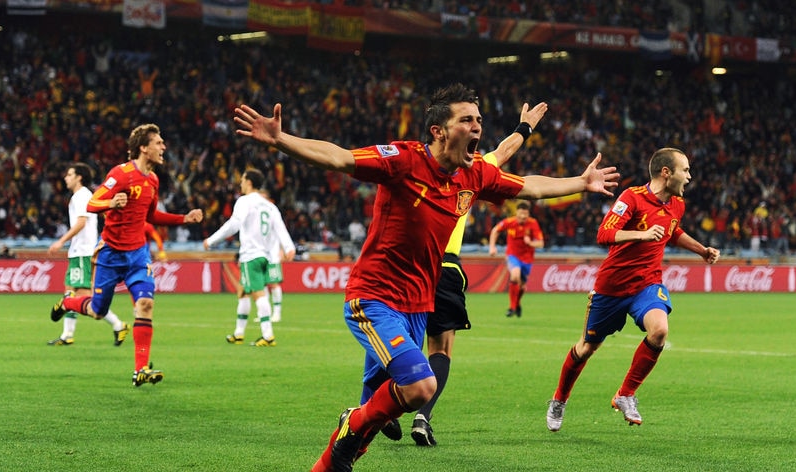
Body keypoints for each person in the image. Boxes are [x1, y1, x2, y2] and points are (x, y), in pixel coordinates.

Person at [233, 83, 619, 472]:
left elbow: (530, 186)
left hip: (418, 305)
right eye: (466, 120)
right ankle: (351, 424)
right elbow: (339, 159)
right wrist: (281, 139)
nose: (476, 128)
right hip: (374, 298)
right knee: (421, 386)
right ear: (438, 131)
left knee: (379, 408)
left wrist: (581, 183)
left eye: (479, 121)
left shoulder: (473, 176)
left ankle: (334, 456)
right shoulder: (403, 159)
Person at [394, 102, 550, 447]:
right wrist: (524, 127)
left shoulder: (410, 167)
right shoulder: (470, 171)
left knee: (398, 340)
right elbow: (503, 152)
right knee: (442, 347)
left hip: (406, 267)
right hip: (445, 266)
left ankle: (385, 407)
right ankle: (423, 415)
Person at [545, 147, 720, 432]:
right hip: (611, 288)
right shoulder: (632, 198)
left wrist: (701, 250)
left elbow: (672, 231)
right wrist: (641, 234)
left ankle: (626, 393)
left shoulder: (676, 203)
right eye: (685, 170)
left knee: (660, 330)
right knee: (587, 347)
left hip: (647, 284)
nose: (689, 177)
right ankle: (559, 400)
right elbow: (604, 234)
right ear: (666, 173)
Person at [50, 123, 203, 387]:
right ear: (143, 148)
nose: (163, 147)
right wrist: (111, 202)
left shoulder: (153, 180)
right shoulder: (121, 174)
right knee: (98, 311)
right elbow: (92, 203)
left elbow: (152, 215)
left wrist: (183, 218)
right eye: (158, 142)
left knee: (145, 305)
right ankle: (68, 303)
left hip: (137, 256)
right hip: (109, 255)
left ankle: (140, 369)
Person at [203, 169, 296, 346]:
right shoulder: (270, 206)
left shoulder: (244, 201)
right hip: (266, 256)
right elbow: (280, 228)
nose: (240, 183)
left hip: (251, 255)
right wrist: (289, 247)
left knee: (258, 293)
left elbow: (234, 224)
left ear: (249, 182)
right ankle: (239, 333)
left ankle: (268, 335)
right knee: (243, 291)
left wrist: (212, 240)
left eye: (243, 180)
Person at [46, 163, 129, 347]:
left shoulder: (82, 195)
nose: (66, 178)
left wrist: (61, 241)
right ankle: (67, 334)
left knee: (83, 297)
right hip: (79, 251)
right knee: (70, 291)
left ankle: (118, 324)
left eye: (69, 174)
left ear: (79, 177)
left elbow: (82, 222)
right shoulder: (82, 195)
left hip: (83, 251)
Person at [488, 200, 544, 318]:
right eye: (520, 215)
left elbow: (540, 243)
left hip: (527, 259)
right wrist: (492, 247)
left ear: (528, 214)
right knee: (515, 275)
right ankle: (512, 307)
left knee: (522, 286)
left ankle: (517, 304)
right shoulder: (510, 222)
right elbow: (495, 230)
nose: (522, 217)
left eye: (525, 215)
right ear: (516, 213)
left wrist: (530, 243)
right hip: (512, 255)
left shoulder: (533, 223)